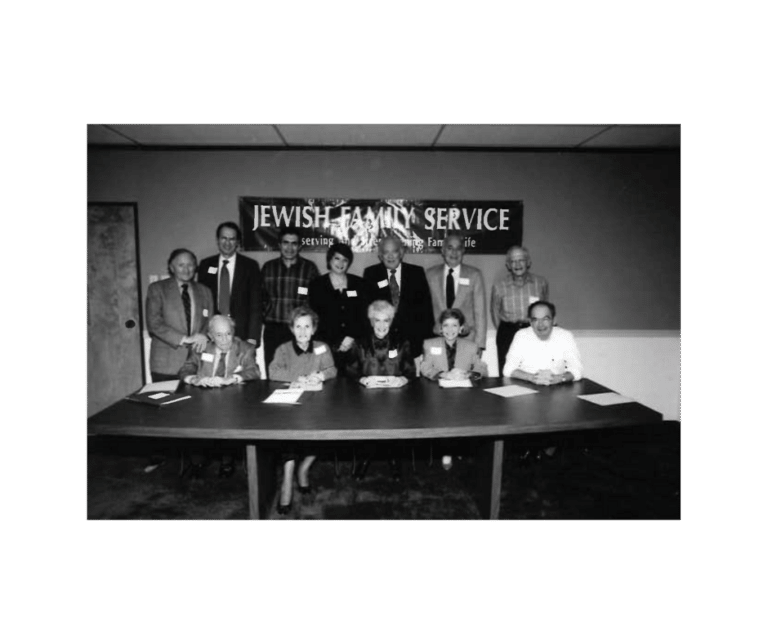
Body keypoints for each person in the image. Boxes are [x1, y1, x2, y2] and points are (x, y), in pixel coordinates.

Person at [144, 248, 214, 472]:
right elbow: (154, 324)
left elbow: (210, 323)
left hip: (195, 362)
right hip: (166, 361)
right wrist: (185, 339)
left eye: (191, 264)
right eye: (181, 264)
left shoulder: (204, 291)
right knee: (163, 410)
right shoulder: (157, 289)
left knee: (195, 411)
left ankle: (196, 458)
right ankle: (159, 456)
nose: (187, 268)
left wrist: (205, 334)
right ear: (171, 266)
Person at [268, 306, 337, 514]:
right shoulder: (283, 349)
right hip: (291, 403)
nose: (303, 331)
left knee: (326, 433)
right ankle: (287, 482)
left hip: (317, 402)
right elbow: (273, 371)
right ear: (291, 329)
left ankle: (304, 468)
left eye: (307, 326)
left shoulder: (322, 347)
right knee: (289, 436)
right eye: (298, 326)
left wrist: (321, 376)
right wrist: (296, 378)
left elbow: (332, 369)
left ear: (314, 329)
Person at [178, 315, 259, 477]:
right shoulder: (200, 348)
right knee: (191, 417)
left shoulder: (245, 348)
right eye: (219, 335)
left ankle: (227, 460)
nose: (224, 340)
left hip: (232, 400)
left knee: (228, 417)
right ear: (211, 336)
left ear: (233, 332)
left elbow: (254, 371)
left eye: (228, 334)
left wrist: (230, 379)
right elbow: (185, 370)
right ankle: (198, 460)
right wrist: (195, 379)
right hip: (204, 399)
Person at [503, 300, 583, 463]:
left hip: (557, 389)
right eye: (535, 319)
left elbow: (577, 370)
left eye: (545, 318)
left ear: (554, 320)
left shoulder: (565, 336)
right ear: (529, 321)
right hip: (526, 389)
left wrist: (559, 378)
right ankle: (528, 450)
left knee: (560, 419)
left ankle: (549, 451)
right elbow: (508, 369)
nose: (540, 324)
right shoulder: (521, 335)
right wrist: (531, 377)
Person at [346, 300, 416, 481]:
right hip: (367, 396)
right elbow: (351, 370)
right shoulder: (359, 343)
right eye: (377, 320)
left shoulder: (402, 342)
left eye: (386, 320)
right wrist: (362, 379)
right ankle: (364, 459)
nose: (382, 325)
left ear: (391, 321)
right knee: (368, 421)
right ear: (371, 321)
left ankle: (394, 460)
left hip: (395, 397)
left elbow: (410, 370)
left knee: (393, 421)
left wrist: (402, 379)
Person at [420, 308, 488, 470]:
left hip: (463, 392)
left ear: (461, 328)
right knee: (443, 415)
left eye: (454, 325)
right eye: (446, 326)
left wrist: (468, 373)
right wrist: (444, 374)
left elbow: (482, 368)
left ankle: (462, 448)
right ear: (440, 328)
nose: (450, 330)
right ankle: (446, 451)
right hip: (438, 391)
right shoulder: (430, 344)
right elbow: (425, 367)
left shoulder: (471, 346)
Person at [363, 236, 434, 358]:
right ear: (380, 255)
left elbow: (426, 311)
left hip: (412, 343)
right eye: (386, 252)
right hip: (381, 343)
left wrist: (427, 343)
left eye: (394, 251)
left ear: (401, 253)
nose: (390, 256)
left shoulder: (416, 273)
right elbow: (366, 310)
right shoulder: (371, 274)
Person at [261, 227, 320, 374]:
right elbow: (261, 299)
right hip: (273, 329)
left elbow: (315, 303)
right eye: (285, 243)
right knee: (275, 372)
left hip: (299, 331)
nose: (289, 247)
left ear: (299, 246)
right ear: (279, 244)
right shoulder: (268, 268)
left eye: (294, 243)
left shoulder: (309, 269)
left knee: (300, 373)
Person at [197, 222, 263, 348]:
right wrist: (203, 332)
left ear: (238, 242)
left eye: (232, 239)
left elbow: (256, 305)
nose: (227, 243)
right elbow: (202, 302)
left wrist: (253, 337)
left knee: (243, 368)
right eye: (224, 238)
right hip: (213, 333)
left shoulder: (250, 266)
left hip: (241, 334)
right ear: (217, 240)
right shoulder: (206, 265)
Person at [308, 242, 371, 371]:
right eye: (337, 258)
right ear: (329, 259)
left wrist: (352, 337)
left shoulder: (359, 284)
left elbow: (365, 315)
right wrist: (336, 342)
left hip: (354, 347)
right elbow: (314, 317)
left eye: (345, 260)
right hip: (326, 347)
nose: (340, 263)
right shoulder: (316, 285)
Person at [491, 245, 549, 374]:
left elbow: (545, 309)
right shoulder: (499, 286)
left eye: (521, 260)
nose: (517, 264)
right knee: (507, 372)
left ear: (528, 262)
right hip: (508, 332)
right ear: (508, 265)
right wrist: (505, 330)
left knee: (534, 370)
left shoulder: (540, 283)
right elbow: (494, 311)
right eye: (513, 261)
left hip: (533, 331)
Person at [426, 233, 487, 351]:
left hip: (467, 341)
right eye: (450, 248)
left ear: (463, 251)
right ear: (443, 251)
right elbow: (424, 311)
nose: (454, 253)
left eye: (458, 248)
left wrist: (479, 345)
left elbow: (480, 313)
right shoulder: (430, 275)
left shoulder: (474, 275)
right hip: (437, 341)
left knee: (464, 370)